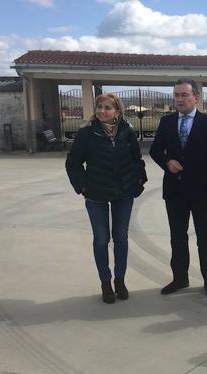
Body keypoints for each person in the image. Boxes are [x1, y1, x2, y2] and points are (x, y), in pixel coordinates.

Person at [66, 93, 147, 304]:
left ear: (117, 112)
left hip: (124, 194)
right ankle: (105, 282)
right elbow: (73, 163)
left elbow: (137, 159)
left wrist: (138, 182)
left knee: (120, 238)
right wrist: (83, 186)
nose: (102, 111)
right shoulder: (86, 134)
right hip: (96, 196)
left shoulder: (127, 131)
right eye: (99, 107)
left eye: (107, 108)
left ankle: (120, 280)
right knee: (101, 239)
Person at [150, 79, 207, 297]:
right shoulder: (166, 122)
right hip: (174, 191)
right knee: (177, 237)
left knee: (204, 237)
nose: (180, 99)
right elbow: (155, 150)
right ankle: (180, 279)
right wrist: (167, 162)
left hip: (201, 191)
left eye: (184, 95)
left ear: (196, 97)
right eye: (176, 95)